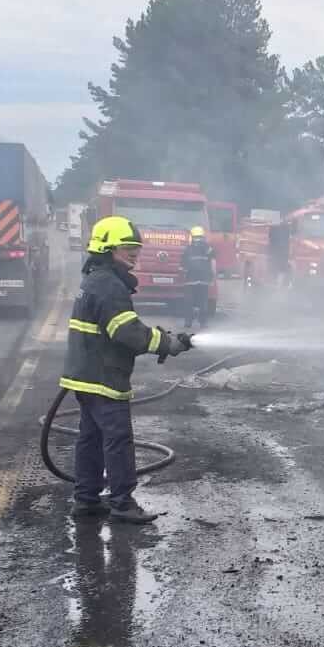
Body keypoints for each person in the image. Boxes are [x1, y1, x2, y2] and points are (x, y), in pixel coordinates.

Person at [61, 215, 191, 524]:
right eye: (126, 248)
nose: (134, 253)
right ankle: (122, 502)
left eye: (135, 247)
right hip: (104, 376)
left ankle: (87, 499)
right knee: (117, 440)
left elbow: (116, 328)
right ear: (107, 249)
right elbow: (126, 332)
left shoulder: (96, 279)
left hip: (86, 374)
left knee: (90, 438)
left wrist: (161, 338)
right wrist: (166, 343)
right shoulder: (108, 285)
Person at [181, 225, 215, 330]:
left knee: (189, 302)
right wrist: (212, 276)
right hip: (204, 280)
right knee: (203, 302)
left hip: (190, 280)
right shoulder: (208, 248)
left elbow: (183, 265)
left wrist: (183, 274)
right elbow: (213, 262)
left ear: (191, 237)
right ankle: (203, 323)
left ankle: (188, 322)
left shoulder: (188, 249)